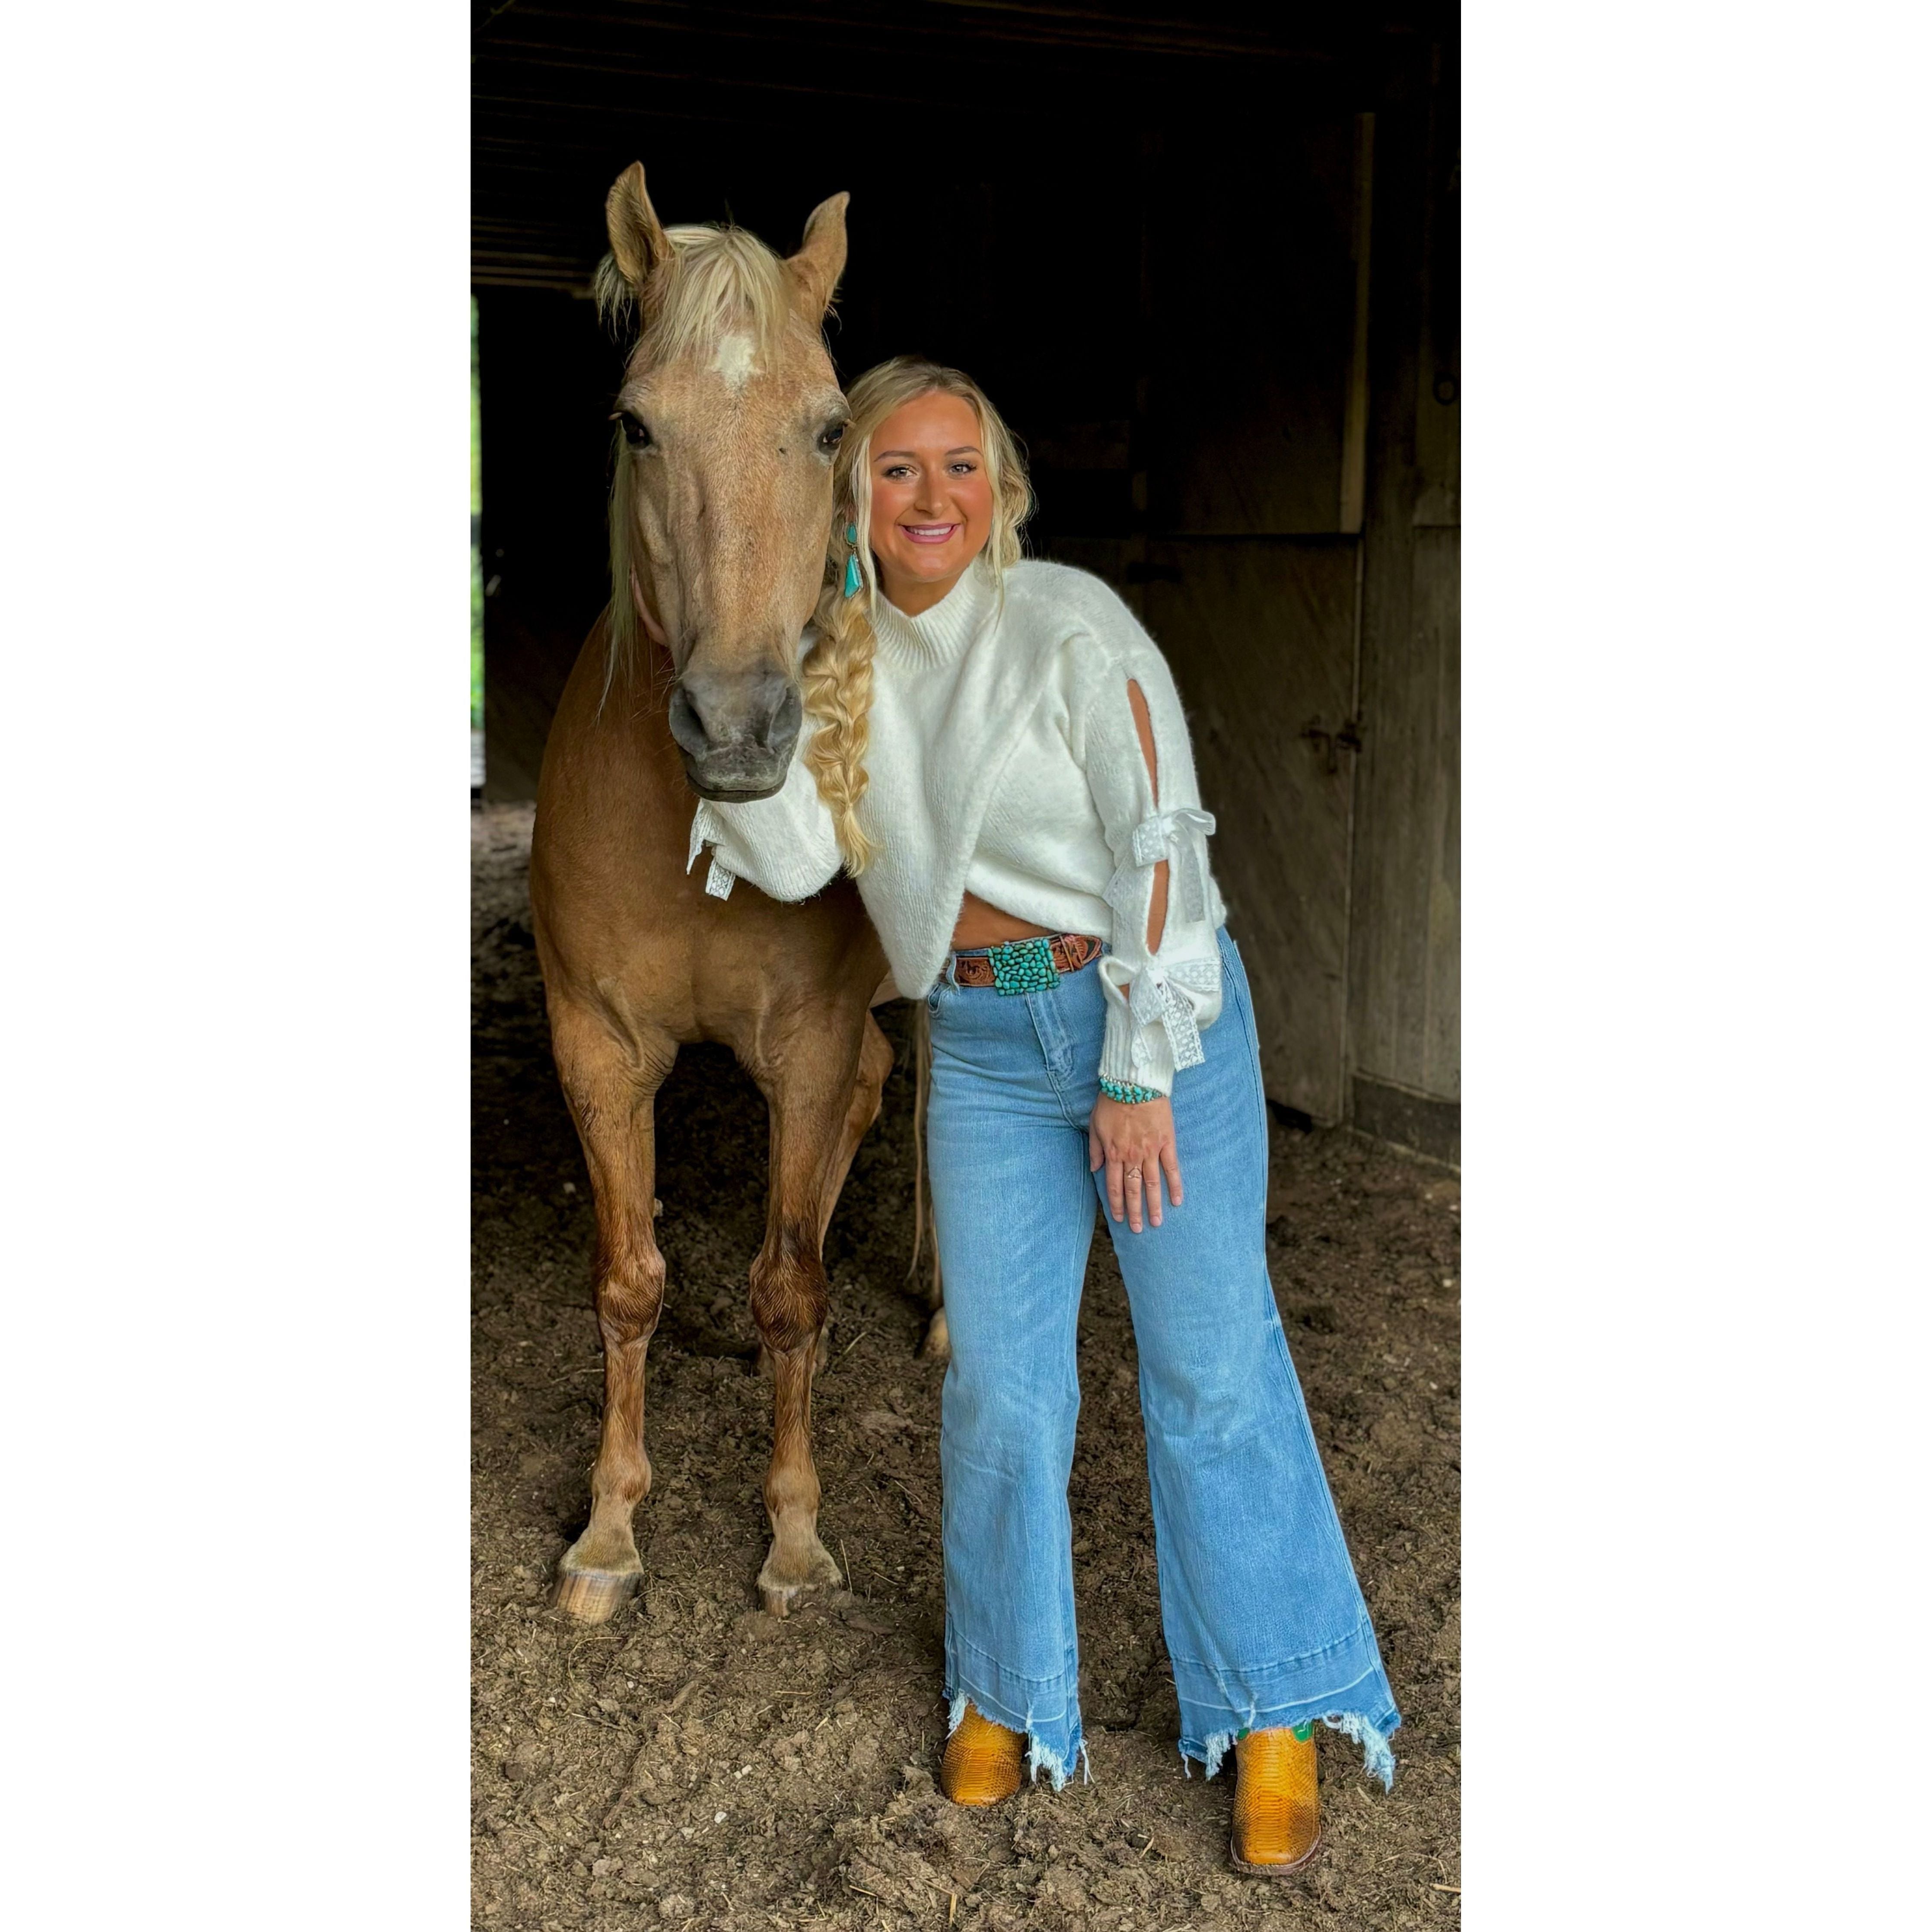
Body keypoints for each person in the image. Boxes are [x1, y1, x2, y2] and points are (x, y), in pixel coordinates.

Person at [690, 356, 1399, 1878]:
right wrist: (740, 700)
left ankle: (1273, 1710)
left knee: (1207, 1367)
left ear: (1000, 490)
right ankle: (1007, 1690)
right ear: (850, 499)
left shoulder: (1071, 625)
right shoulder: (841, 657)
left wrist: (1137, 1072)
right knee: (1002, 1392)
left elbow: (1162, 844)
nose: (930, 494)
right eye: (896, 468)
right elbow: (799, 859)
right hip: (985, 1046)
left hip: (1146, 1019)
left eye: (959, 465)